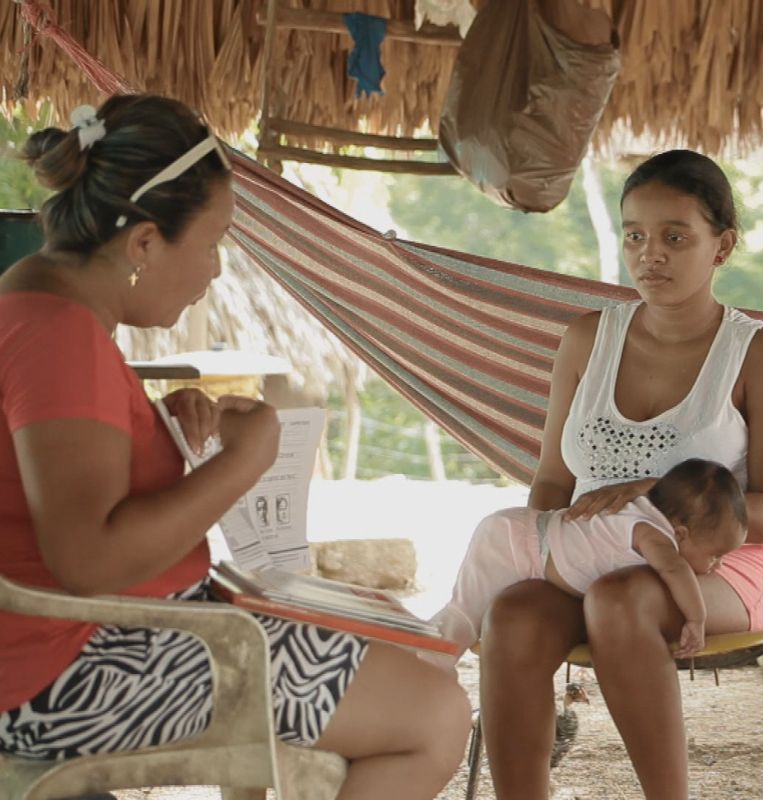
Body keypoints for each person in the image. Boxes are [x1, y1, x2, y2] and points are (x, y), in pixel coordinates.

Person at [0, 94, 470, 800]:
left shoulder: (35, 308)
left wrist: (151, 432)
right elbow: (86, 557)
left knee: (417, 660)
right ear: (145, 244)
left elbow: (61, 473)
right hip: (66, 673)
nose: (216, 270)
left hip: (65, 649)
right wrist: (240, 464)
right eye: (214, 242)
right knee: (435, 717)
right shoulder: (61, 336)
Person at [478, 149, 763, 798]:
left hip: (721, 564)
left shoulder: (756, 353)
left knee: (621, 600)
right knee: (512, 611)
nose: (650, 254)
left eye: (675, 237)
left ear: (722, 245)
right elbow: (550, 485)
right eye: (636, 236)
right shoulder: (585, 341)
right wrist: (532, 551)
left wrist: (657, 495)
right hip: (592, 558)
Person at [434, 458, 748, 661]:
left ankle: (422, 646)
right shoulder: (654, 536)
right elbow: (675, 569)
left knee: (463, 610)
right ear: (680, 533)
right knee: (465, 617)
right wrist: (696, 619)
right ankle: (429, 662)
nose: (717, 566)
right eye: (716, 555)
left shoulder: (637, 507)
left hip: (520, 534)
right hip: (517, 545)